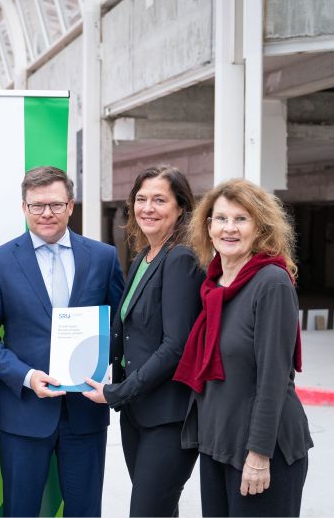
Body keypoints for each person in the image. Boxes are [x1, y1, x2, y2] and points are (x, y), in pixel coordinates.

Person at [0, 166, 124, 517]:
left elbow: (120, 326)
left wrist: (109, 371)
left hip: (85, 410)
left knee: (85, 511)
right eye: (37, 206)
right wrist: (26, 376)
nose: (46, 214)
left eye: (55, 205)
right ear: (24, 208)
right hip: (23, 411)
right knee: (20, 510)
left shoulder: (102, 257)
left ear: (71, 206)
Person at [173, 178, 313, 517]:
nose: (229, 228)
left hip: (262, 449)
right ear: (208, 228)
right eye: (221, 219)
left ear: (259, 228)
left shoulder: (271, 282)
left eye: (241, 219)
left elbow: (273, 379)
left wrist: (259, 454)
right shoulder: (215, 283)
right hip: (218, 444)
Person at [83, 166, 204, 516]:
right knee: (159, 511)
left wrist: (118, 392)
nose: (147, 208)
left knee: (147, 512)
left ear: (181, 207)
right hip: (138, 415)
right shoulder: (143, 258)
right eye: (141, 199)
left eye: (159, 200)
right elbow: (127, 331)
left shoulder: (180, 257)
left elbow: (175, 346)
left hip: (168, 418)